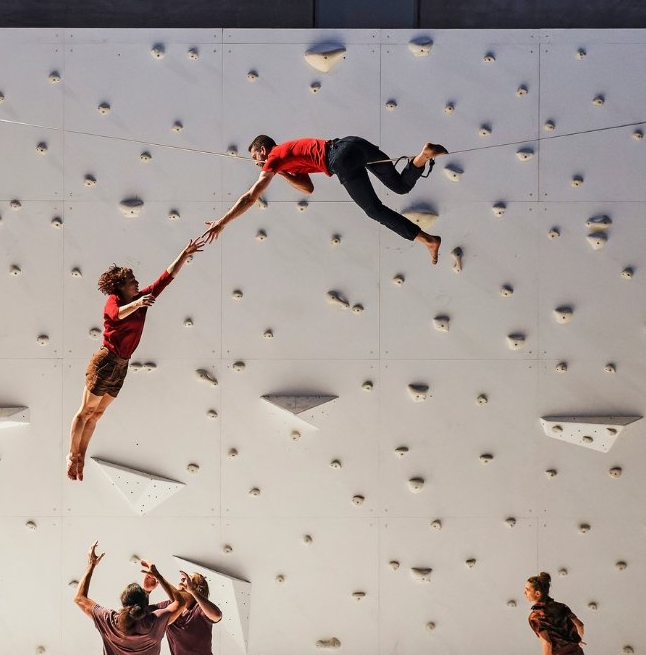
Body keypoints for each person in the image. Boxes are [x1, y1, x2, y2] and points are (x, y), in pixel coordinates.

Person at [67, 237, 204, 480]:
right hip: (106, 361)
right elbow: (117, 315)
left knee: (98, 414)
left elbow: (166, 278)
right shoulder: (115, 301)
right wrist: (139, 302)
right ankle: (71, 454)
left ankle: (81, 457)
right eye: (132, 281)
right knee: (86, 411)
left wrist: (185, 252)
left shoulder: (142, 300)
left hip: (122, 365)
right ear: (120, 287)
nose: (137, 283)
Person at [204, 135, 449, 264]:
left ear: (263, 149)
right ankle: (424, 155)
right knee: (400, 186)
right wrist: (282, 173)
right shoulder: (287, 157)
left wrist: (223, 221)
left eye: (255, 156)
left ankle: (427, 239)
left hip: (340, 159)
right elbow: (307, 188)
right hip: (353, 144)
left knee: (374, 210)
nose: (256, 162)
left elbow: (250, 196)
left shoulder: (274, 157)